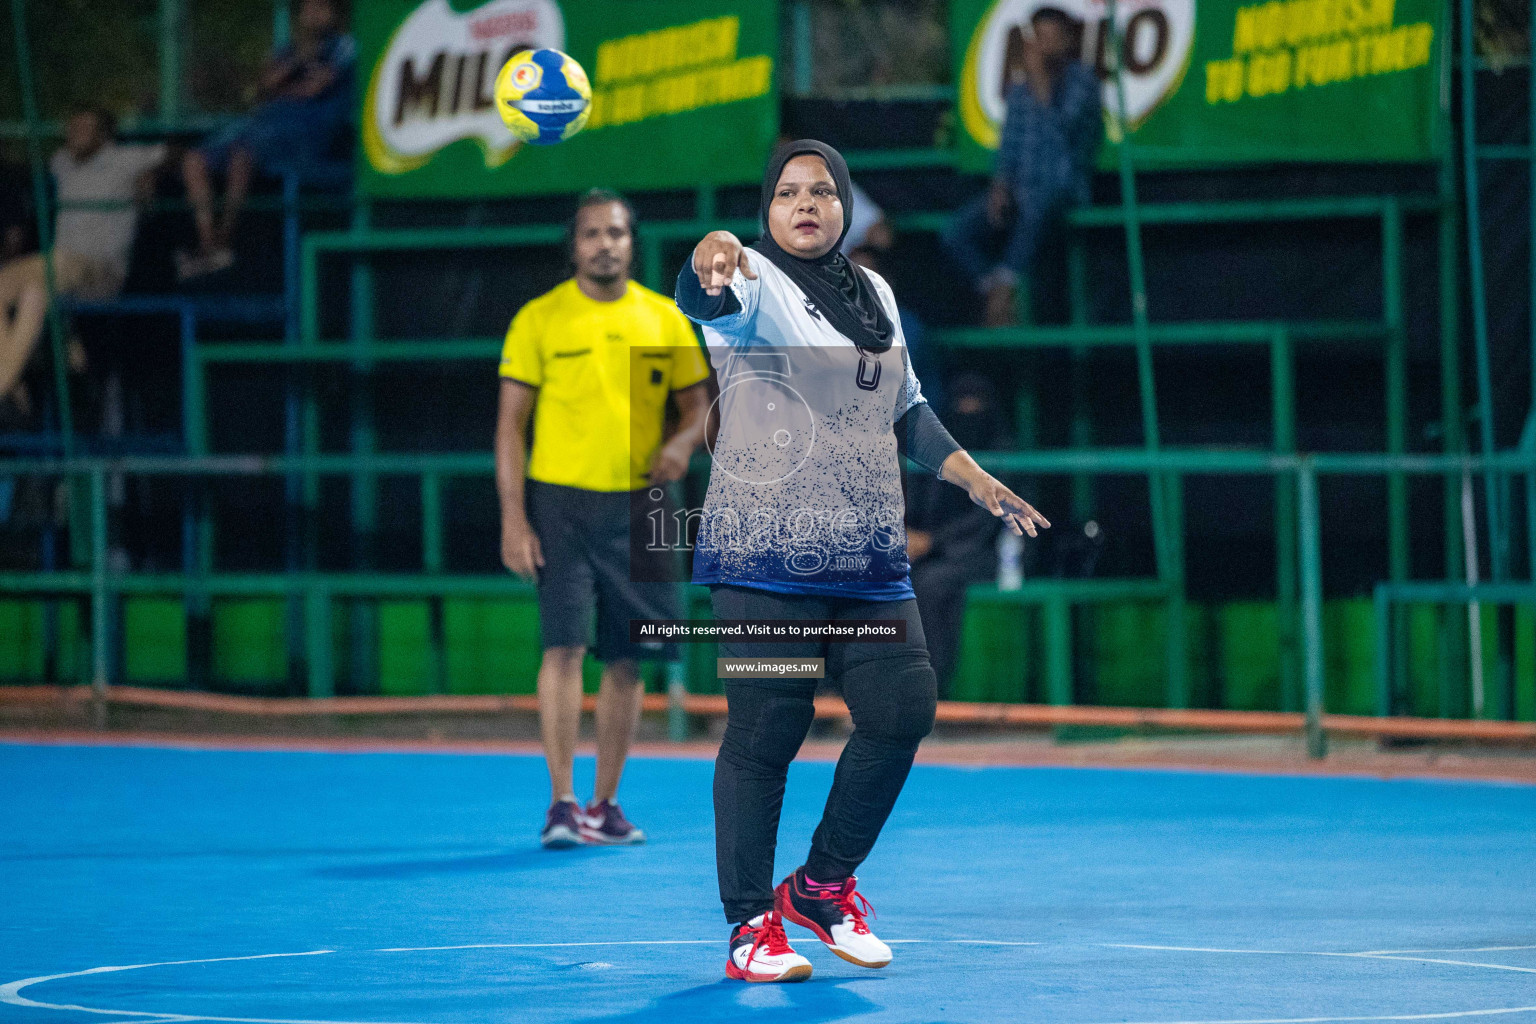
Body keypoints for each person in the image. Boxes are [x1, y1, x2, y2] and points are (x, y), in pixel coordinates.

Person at [676, 140, 1050, 982]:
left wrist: (978, 479)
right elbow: (704, 291)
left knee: (902, 708)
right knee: (768, 728)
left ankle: (821, 885)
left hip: (867, 556)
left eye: (821, 192)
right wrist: (711, 254)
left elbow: (909, 410)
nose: (805, 204)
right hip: (763, 554)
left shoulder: (875, 293)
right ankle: (748, 925)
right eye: (786, 194)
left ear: (845, 207)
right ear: (765, 209)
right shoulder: (751, 286)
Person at [495, 189, 711, 850]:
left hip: (643, 506)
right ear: (575, 246)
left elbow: (702, 408)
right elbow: (509, 427)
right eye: (592, 234)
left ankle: (606, 804)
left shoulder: (665, 319)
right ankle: (562, 803)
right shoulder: (539, 319)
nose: (604, 244)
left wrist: (679, 446)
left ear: (631, 242)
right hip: (559, 503)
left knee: (630, 658)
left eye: (616, 233)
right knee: (563, 646)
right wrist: (513, 519)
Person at [0, 109, 166, 419]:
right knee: (18, 288)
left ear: (103, 134)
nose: (73, 132)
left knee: (45, 279)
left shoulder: (126, 159)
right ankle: (11, 385)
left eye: (83, 128)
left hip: (99, 270)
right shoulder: (63, 162)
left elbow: (174, 153)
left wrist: (152, 174)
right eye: (71, 126)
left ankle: (8, 380)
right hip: (59, 268)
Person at [941, 7, 1101, 326]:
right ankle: (995, 288)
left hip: (1062, 190)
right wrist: (999, 186)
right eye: (1039, 37)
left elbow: (1063, 135)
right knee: (955, 232)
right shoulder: (1019, 90)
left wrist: (1040, 81)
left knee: (1036, 204)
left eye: (1052, 38)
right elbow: (1008, 148)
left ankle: (1004, 290)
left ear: (1068, 41)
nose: (1044, 45)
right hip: (1019, 190)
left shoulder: (1083, 82)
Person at [179, 0, 355, 279]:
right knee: (193, 160)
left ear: (334, 13)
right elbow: (263, 86)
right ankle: (208, 242)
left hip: (308, 129)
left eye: (320, 8)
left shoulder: (345, 46)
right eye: (308, 9)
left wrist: (279, 89)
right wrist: (296, 61)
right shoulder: (287, 49)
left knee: (242, 155)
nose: (312, 14)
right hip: (263, 123)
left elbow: (315, 89)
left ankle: (225, 239)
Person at [904, 373, 1013, 695]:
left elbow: (987, 522)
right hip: (928, 553)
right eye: (960, 404)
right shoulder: (936, 452)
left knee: (932, 585)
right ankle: (842, 690)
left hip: (986, 554)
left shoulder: (1002, 452)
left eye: (974, 404)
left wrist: (933, 541)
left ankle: (930, 693)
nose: (967, 411)